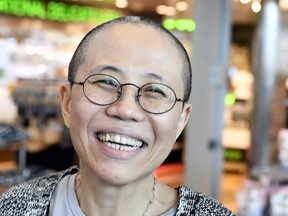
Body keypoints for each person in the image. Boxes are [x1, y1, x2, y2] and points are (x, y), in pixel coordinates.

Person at [0, 16, 235, 216]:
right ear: (67, 103)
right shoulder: (14, 207)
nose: (125, 110)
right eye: (105, 82)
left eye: (155, 90)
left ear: (181, 121)